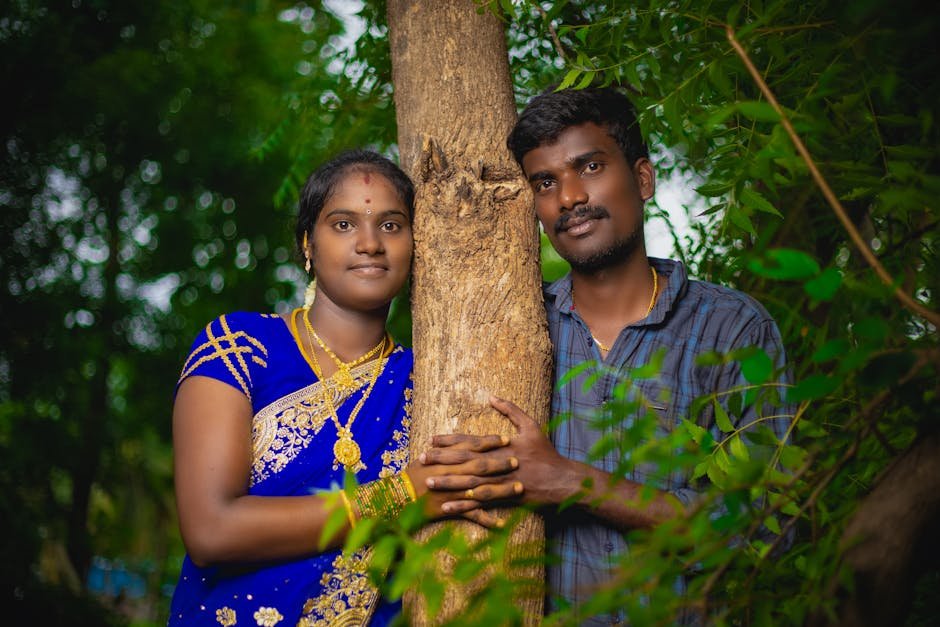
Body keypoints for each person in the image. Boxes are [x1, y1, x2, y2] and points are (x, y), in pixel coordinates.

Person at [421, 87, 789, 624]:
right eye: (545, 182)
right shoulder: (512, 330)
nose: (568, 197)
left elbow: (767, 529)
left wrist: (572, 482)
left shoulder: (734, 330)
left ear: (643, 179)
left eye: (589, 166)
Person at [168, 150, 518, 626]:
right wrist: (400, 496)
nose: (370, 243)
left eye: (392, 225)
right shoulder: (240, 347)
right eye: (344, 224)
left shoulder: (434, 382)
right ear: (307, 245)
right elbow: (210, 531)